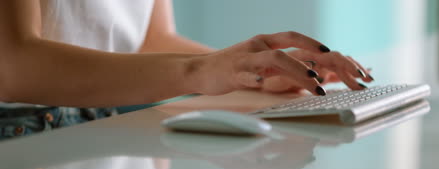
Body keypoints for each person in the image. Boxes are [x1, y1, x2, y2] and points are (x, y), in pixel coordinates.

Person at [0, 0, 373, 139]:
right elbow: (13, 68)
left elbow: (149, 38)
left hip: (107, 121)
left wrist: (252, 73)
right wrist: (199, 72)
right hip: (30, 130)